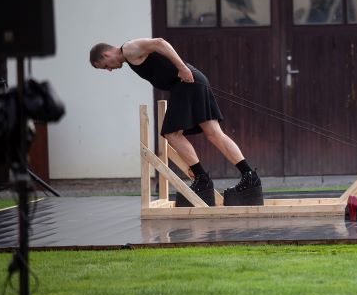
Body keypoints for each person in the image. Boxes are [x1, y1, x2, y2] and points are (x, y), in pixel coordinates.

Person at [89, 37, 261, 206]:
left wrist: (182, 68)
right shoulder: (129, 56)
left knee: (172, 133)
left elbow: (160, 43)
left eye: (105, 66)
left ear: (106, 54)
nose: (109, 70)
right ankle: (249, 177)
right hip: (190, 82)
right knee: (214, 134)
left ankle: (202, 180)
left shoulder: (128, 49)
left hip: (185, 82)